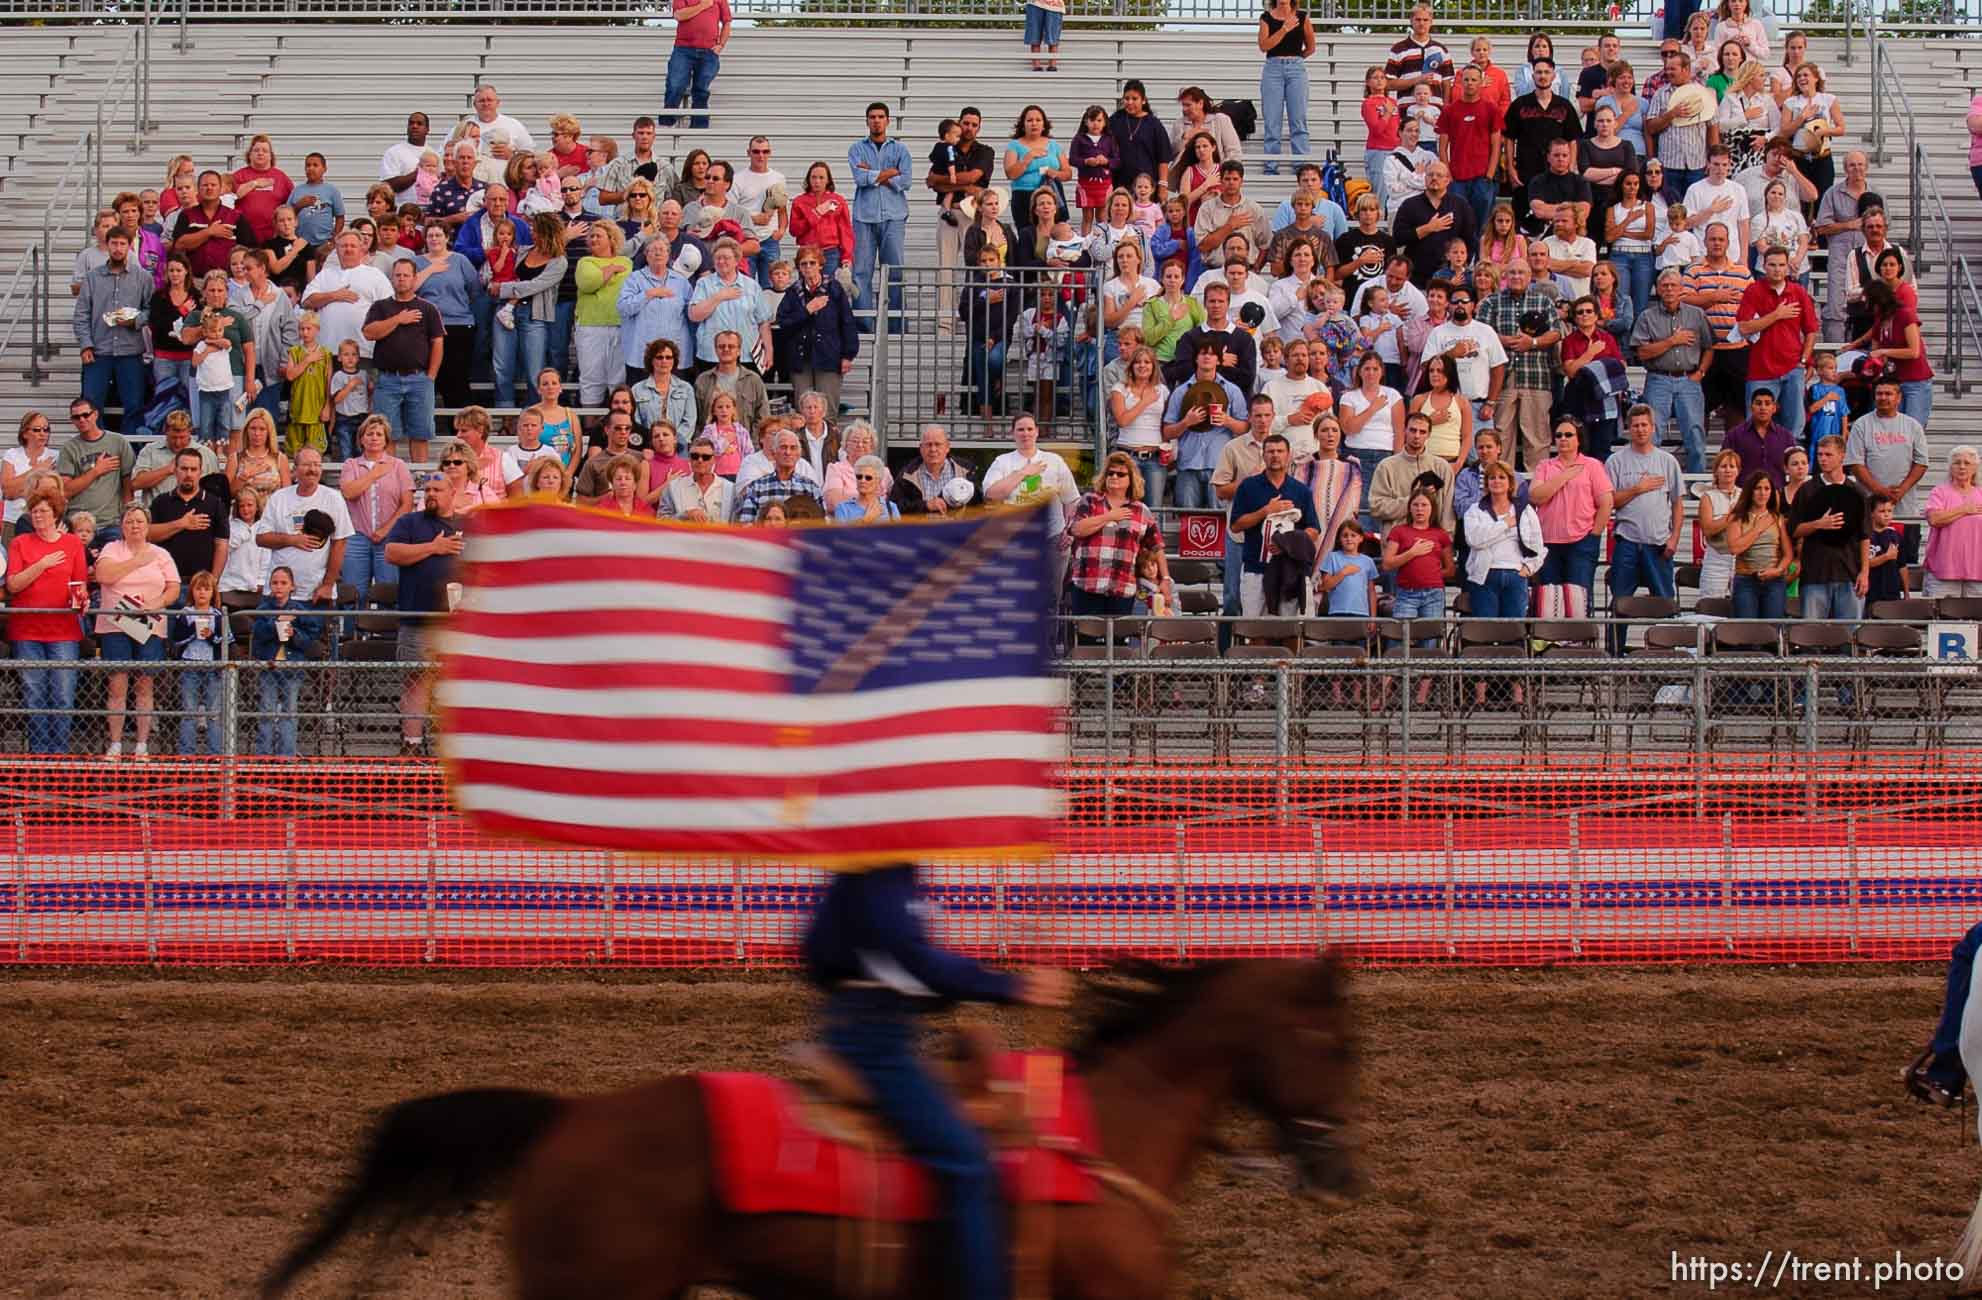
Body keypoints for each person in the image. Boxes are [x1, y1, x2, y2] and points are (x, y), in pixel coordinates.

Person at [94, 503, 182, 759]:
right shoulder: (112, 548)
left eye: (139, 521)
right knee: (117, 685)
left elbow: (174, 588)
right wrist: (136, 561)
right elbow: (104, 575)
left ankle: (142, 745)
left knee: (145, 685)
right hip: (115, 625)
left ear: (147, 526)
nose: (134, 526)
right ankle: (116, 744)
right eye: (130, 521)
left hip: (150, 624)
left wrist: (156, 603)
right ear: (122, 526)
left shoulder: (161, 553)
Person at [7, 486, 91, 754]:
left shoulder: (72, 543)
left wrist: (83, 599)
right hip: (26, 630)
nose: (38, 516)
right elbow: (13, 585)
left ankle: (60, 754)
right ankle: (39, 754)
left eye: (43, 511)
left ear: (56, 513)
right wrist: (42, 565)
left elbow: (80, 583)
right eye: (34, 511)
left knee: (63, 695)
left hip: (64, 630)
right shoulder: (20, 543)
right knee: (34, 695)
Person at [1604, 405, 1685, 650]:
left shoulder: (1667, 461)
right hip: (1627, 542)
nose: (1640, 430)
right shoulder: (1616, 461)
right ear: (1628, 429)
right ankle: (1614, 657)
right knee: (1620, 604)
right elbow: (1610, 502)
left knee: (1665, 604)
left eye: (1644, 425)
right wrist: (1638, 488)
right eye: (1635, 425)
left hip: (1659, 545)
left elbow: (1678, 504)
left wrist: (1674, 540)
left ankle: (1666, 658)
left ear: (1653, 427)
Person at [1528, 417, 1613, 618]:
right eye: (1558, 435)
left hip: (1581, 542)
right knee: (1549, 602)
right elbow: (1536, 496)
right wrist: (1565, 475)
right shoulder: (1544, 466)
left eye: (1568, 435)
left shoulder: (1592, 465)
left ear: (1579, 439)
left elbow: (1606, 503)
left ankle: (1580, 645)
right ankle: (1550, 645)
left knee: (1579, 599)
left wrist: (1594, 535)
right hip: (1548, 544)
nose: (1563, 439)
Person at [1066, 451, 1164, 618]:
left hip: (1122, 587)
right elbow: (1076, 530)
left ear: (1131, 479)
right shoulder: (1089, 500)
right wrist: (1110, 516)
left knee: (1119, 642)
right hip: (1087, 583)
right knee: (1086, 641)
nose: (1114, 476)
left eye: (1120, 474)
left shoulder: (1141, 510)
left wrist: (1166, 578)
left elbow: (1156, 546)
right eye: (1110, 473)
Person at [1844, 378, 1929, 567]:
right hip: (1869, 509)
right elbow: (1856, 464)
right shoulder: (1861, 425)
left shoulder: (1912, 425)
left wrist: (1902, 490)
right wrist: (1879, 491)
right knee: (1870, 561)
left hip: (1904, 507)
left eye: (1888, 393)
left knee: (1905, 561)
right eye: (1879, 394)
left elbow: (1921, 463)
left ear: (1898, 397)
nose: (1883, 398)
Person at [73, 228, 151, 432]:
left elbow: (152, 311)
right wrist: (85, 346)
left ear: (130, 246)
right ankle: (95, 449)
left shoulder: (143, 278)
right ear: (107, 245)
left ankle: (131, 452)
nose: (118, 248)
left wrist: (135, 320)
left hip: (130, 353)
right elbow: (81, 315)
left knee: (134, 405)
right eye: (114, 243)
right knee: (91, 405)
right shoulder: (92, 278)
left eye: (122, 244)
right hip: (99, 352)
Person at [255, 447, 353, 605]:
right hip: (279, 593)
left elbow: (340, 543)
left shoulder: (334, 498)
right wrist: (292, 540)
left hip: (315, 592)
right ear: (295, 469)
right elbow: (261, 538)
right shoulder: (279, 497)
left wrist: (328, 585)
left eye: (317, 465)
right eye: (307, 464)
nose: (312, 470)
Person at [1788, 434, 1870, 621]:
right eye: (1819, 454)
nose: (1822, 459)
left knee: (1850, 637)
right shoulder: (1807, 490)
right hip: (1815, 574)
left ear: (1842, 455)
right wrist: (1818, 524)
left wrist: (1864, 572)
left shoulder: (1857, 492)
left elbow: (1865, 535)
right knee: (1812, 636)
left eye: (1828, 454)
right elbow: (1794, 530)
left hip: (1849, 573)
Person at [846, 103, 913, 328]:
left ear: (888, 120)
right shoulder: (856, 149)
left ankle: (895, 326)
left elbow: (905, 181)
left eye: (881, 116)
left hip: (894, 216)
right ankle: (864, 325)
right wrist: (890, 172)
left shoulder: (900, 150)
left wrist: (873, 174)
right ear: (867, 121)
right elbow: (860, 178)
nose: (876, 120)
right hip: (864, 217)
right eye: (872, 117)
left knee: (894, 272)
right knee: (861, 273)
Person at [777, 244, 859, 413]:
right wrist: (807, 310)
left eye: (812, 263)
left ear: (820, 264)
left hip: (828, 357)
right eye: (803, 264)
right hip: (800, 359)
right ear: (798, 267)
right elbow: (783, 322)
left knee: (827, 409)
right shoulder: (793, 292)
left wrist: (848, 355)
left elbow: (847, 323)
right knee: (803, 409)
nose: (808, 267)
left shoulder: (834, 289)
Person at [340, 415, 414, 601]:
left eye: (379, 434)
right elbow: (349, 492)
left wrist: (385, 529)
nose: (374, 437)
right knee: (353, 594)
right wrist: (374, 474)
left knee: (388, 592)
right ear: (361, 439)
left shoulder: (398, 466)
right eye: (369, 433)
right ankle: (351, 630)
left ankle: (387, 630)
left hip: (390, 536)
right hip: (357, 536)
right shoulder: (351, 465)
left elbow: (407, 504)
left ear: (386, 440)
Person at [1848, 279, 1934, 432]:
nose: (1868, 307)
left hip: (1916, 381)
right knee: (1890, 428)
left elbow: (1914, 351)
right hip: (1894, 381)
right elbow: (1875, 352)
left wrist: (1884, 352)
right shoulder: (1880, 321)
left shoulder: (1906, 315)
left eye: (1870, 302)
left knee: (1913, 429)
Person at [1463, 460, 1544, 620]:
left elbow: (1538, 545)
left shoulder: (1525, 510)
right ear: (1486, 483)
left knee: (1514, 632)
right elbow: (1475, 540)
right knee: (1486, 632)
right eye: (1492, 478)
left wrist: (1528, 568)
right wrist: (1505, 524)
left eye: (1502, 477)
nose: (1497, 481)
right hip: (1484, 576)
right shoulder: (1475, 510)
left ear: (1510, 482)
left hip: (1516, 576)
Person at [146, 446, 230, 585]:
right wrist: (182, 524)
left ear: (200, 472)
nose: (189, 474)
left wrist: (213, 581)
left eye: (193, 469)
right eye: (184, 469)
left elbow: (221, 545)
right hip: (165, 582)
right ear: (175, 471)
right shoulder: (160, 502)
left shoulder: (215, 504)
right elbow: (148, 534)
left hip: (200, 586)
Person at [1257, 0, 1315, 176]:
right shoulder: (1266, 17)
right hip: (1273, 67)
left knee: (1298, 118)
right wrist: (1284, 29)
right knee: (1272, 119)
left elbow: (1311, 47)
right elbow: (1264, 45)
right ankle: (1271, 166)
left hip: (1295, 67)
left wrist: (1296, 59)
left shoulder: (1302, 17)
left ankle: (1301, 165)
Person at [1726, 467, 1793, 618]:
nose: (1763, 493)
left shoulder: (1777, 518)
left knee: (1771, 631)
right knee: (1747, 630)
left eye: (1767, 488)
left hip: (1774, 581)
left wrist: (1778, 570)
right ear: (1750, 491)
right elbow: (1734, 548)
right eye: (1758, 488)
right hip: (1746, 580)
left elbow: (1788, 554)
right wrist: (1758, 529)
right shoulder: (1737, 517)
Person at [660, 0, 730, 131]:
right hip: (683, 49)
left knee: (701, 89)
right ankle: (667, 123)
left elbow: (727, 22)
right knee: (675, 84)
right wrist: (703, 5)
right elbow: (679, 15)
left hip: (709, 51)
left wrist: (721, 45)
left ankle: (699, 127)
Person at [1925, 446, 1982, 599]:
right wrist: (1964, 509)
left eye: (1967, 463)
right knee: (1941, 620)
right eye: (1957, 463)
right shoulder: (1939, 492)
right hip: (1944, 570)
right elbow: (1935, 519)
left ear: (1975, 467)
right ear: (1950, 467)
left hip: (1978, 571)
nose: (1962, 467)